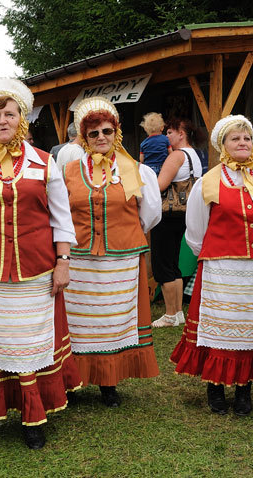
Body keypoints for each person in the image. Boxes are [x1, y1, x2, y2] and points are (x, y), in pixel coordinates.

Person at [0, 77, 81, 449]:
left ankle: (31, 417)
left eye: (10, 113)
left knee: (28, 346)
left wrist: (63, 262)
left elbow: (61, 219)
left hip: (35, 273)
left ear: (22, 118)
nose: (3, 120)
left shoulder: (45, 162)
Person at [171, 114, 253, 417]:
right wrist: (218, 255)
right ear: (223, 145)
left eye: (246, 138)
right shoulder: (208, 182)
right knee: (220, 329)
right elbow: (195, 233)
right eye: (236, 138)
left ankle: (244, 388)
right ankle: (216, 385)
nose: (243, 143)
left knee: (252, 329)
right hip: (222, 271)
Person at [62, 96, 160, 407]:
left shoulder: (137, 170)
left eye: (106, 131)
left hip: (121, 260)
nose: (101, 138)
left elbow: (150, 213)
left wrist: (123, 232)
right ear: (84, 138)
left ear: (116, 132)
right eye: (94, 133)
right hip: (79, 261)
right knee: (79, 322)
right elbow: (61, 213)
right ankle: (73, 380)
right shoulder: (69, 170)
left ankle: (108, 381)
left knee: (112, 320)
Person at [151, 118, 202, 327]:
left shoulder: (177, 156)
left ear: (182, 133)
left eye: (170, 132)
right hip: (184, 214)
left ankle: (171, 313)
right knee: (174, 264)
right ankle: (178, 311)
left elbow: (159, 185)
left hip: (167, 214)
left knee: (163, 264)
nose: (167, 136)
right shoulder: (194, 156)